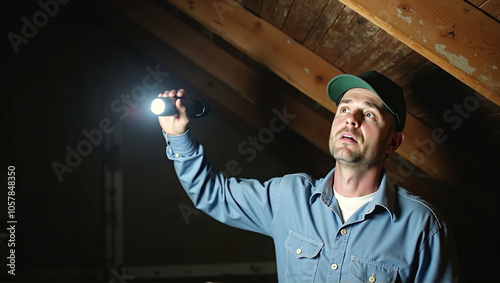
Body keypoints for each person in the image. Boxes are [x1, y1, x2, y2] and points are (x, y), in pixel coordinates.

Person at [157, 71, 460, 282]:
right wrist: (178, 136)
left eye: (368, 114)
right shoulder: (288, 197)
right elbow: (213, 195)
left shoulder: (422, 227)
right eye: (344, 109)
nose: (350, 120)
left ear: (393, 142)